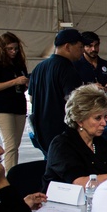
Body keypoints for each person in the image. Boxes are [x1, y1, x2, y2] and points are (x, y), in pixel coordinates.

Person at [42, 85, 107, 188]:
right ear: (80, 120)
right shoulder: (62, 145)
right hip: (62, 201)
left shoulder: (101, 143)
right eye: (98, 118)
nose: (104, 123)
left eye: (104, 117)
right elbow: (80, 183)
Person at [28, 28, 85, 156]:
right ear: (67, 46)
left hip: (41, 131)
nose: (82, 51)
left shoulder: (39, 68)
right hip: (62, 130)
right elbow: (74, 101)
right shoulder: (67, 69)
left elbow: (31, 98)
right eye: (80, 47)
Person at [0, 32, 30, 172]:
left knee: (15, 145)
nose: (13, 52)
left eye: (16, 49)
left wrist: (26, 83)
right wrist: (15, 81)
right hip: (2, 107)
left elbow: (22, 85)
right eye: (10, 49)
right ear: (2, 49)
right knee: (10, 145)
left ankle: (13, 172)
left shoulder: (19, 64)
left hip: (18, 106)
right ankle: (11, 177)